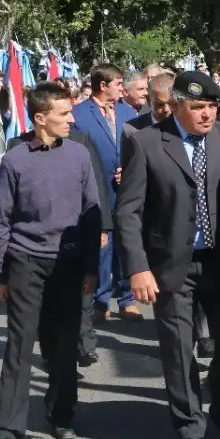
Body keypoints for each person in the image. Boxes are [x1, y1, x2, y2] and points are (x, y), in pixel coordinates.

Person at [114, 72, 220, 439]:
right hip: (170, 263)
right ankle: (189, 426)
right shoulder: (147, 143)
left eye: (212, 106)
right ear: (175, 106)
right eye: (197, 107)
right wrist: (137, 268)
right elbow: (128, 210)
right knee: (177, 349)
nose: (207, 114)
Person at [0, 83, 102, 439]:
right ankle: (7, 430)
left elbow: (92, 214)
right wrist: (3, 271)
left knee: (64, 345)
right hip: (24, 262)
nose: (71, 119)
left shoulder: (80, 155)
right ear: (40, 118)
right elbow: (0, 218)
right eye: (64, 114)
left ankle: (61, 412)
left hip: (67, 265)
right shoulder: (16, 160)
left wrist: (91, 268)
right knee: (19, 346)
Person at [71, 64, 140, 323]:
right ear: (103, 85)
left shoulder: (127, 111)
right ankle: (101, 301)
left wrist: (130, 169)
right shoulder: (79, 113)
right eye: (118, 83)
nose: (123, 88)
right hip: (95, 188)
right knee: (101, 245)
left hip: (126, 189)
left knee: (125, 243)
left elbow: (137, 145)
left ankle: (127, 299)